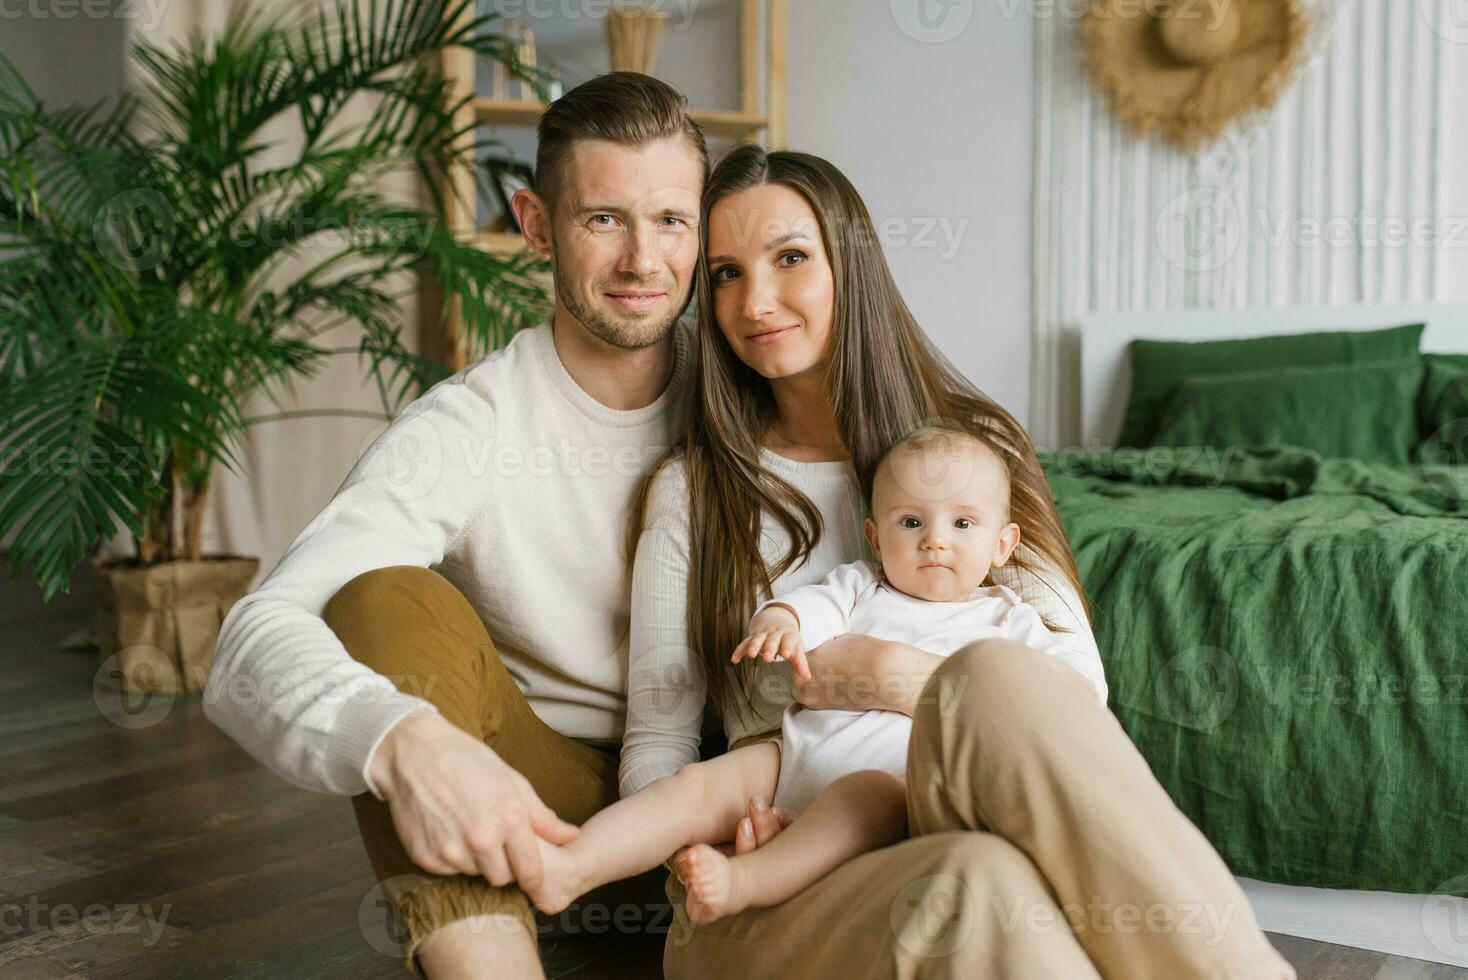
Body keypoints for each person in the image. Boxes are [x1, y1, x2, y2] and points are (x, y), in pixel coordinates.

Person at [617, 141, 1297, 979]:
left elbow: (1070, 711)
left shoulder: (981, 450)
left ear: (850, 267)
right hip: (768, 880)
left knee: (991, 834)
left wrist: (892, 675)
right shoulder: (694, 490)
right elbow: (655, 741)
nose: (755, 299)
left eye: (790, 257)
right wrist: (718, 845)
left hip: (947, 828)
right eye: (724, 273)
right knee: (981, 882)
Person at [203, 73, 747, 978]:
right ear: (536, 224)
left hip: (738, 802)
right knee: (384, 601)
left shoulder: (748, 378)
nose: (642, 261)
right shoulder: (472, 423)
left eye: (671, 222)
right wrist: (399, 740)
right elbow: (249, 641)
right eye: (603, 218)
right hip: (543, 816)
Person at [515, 424, 1111, 927]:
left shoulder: (1010, 618)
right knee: (694, 787)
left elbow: (1063, 699)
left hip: (893, 783)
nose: (934, 541)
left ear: (1003, 545)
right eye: (910, 523)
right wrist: (780, 621)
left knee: (861, 800)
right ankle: (574, 865)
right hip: (794, 751)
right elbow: (810, 608)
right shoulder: (862, 584)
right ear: (875, 537)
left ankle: (745, 881)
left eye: (962, 524)